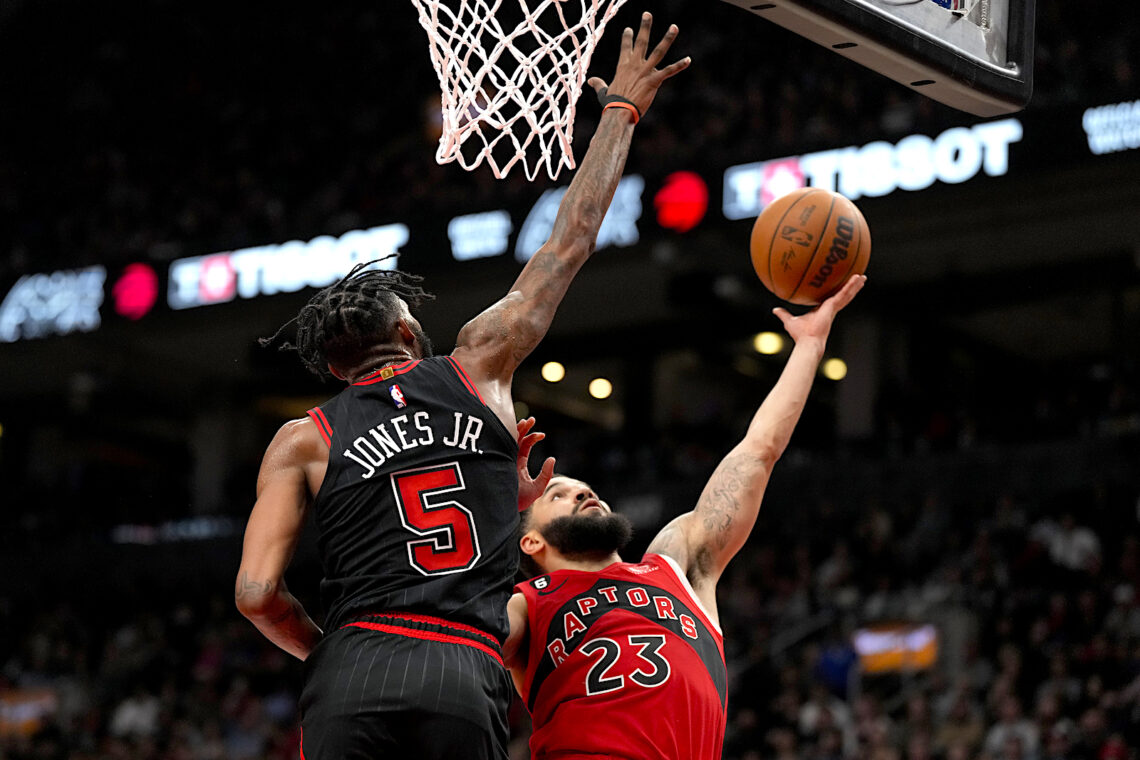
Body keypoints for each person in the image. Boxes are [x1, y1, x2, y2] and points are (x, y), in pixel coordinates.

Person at [233, 14, 689, 759]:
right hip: (459, 663)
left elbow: (255, 595)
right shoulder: (477, 364)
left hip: (353, 663)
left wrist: (333, 656)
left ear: (337, 367)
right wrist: (620, 111)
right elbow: (568, 242)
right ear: (409, 336)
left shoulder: (300, 438)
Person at [504, 274, 866, 760]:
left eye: (585, 488)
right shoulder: (527, 602)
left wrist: (810, 346)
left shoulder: (676, 564)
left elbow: (757, 453)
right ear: (530, 542)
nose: (584, 492)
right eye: (559, 493)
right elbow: (459, 633)